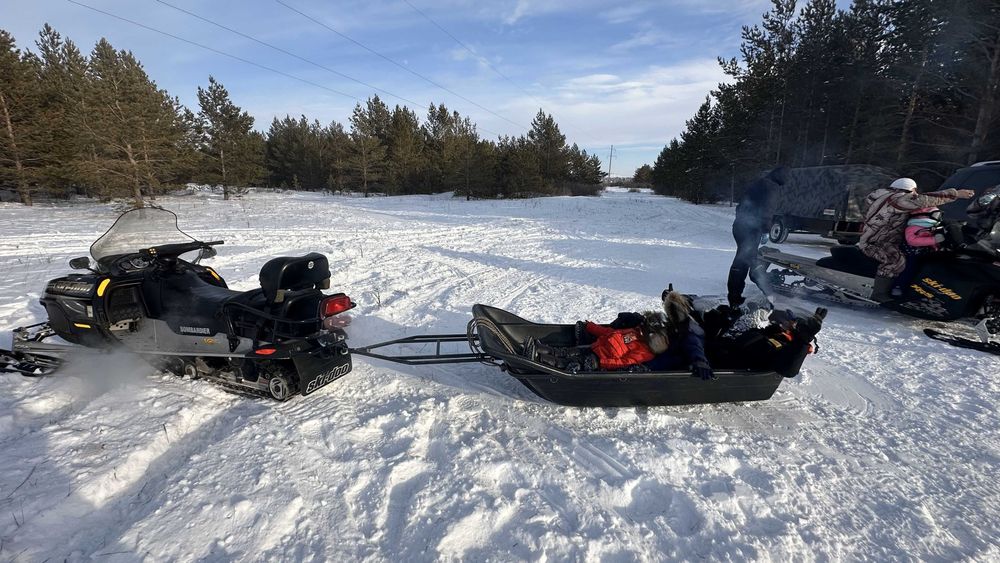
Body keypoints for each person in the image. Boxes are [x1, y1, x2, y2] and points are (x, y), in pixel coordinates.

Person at [858, 178, 975, 302]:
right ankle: (879, 294)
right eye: (914, 192)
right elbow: (923, 199)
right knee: (895, 260)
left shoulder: (884, 197)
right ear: (910, 190)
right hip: (876, 243)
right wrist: (956, 193)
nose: (915, 194)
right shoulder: (897, 198)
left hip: (884, 239)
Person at [727, 166, 789, 308]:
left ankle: (738, 296)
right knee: (745, 262)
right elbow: (767, 211)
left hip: (740, 226)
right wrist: (765, 230)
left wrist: (742, 221)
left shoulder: (759, 183)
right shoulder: (772, 187)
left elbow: (740, 206)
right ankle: (763, 295)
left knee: (744, 260)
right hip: (751, 229)